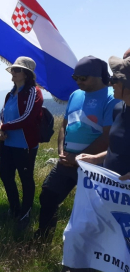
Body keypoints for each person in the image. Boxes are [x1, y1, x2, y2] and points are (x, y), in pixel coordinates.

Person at [35, 56, 118, 240]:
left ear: (97, 76)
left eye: (83, 78)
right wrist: (62, 152)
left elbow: (107, 137)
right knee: (48, 195)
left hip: (93, 165)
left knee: (89, 209)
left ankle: (85, 254)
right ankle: (43, 238)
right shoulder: (75, 95)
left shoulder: (111, 98)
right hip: (67, 161)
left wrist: (78, 157)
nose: (78, 81)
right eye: (76, 78)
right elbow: (64, 125)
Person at [73, 53, 130, 272]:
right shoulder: (121, 108)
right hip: (115, 194)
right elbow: (117, 148)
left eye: (117, 79)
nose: (112, 83)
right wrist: (96, 157)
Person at [0, 57, 43, 228]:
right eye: (13, 70)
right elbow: (2, 113)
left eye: (16, 70)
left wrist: (3, 126)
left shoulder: (34, 92)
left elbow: (28, 117)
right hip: (8, 144)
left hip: (25, 145)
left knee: (25, 178)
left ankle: (26, 211)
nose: (13, 72)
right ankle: (15, 208)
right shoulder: (10, 94)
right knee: (6, 176)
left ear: (26, 74)